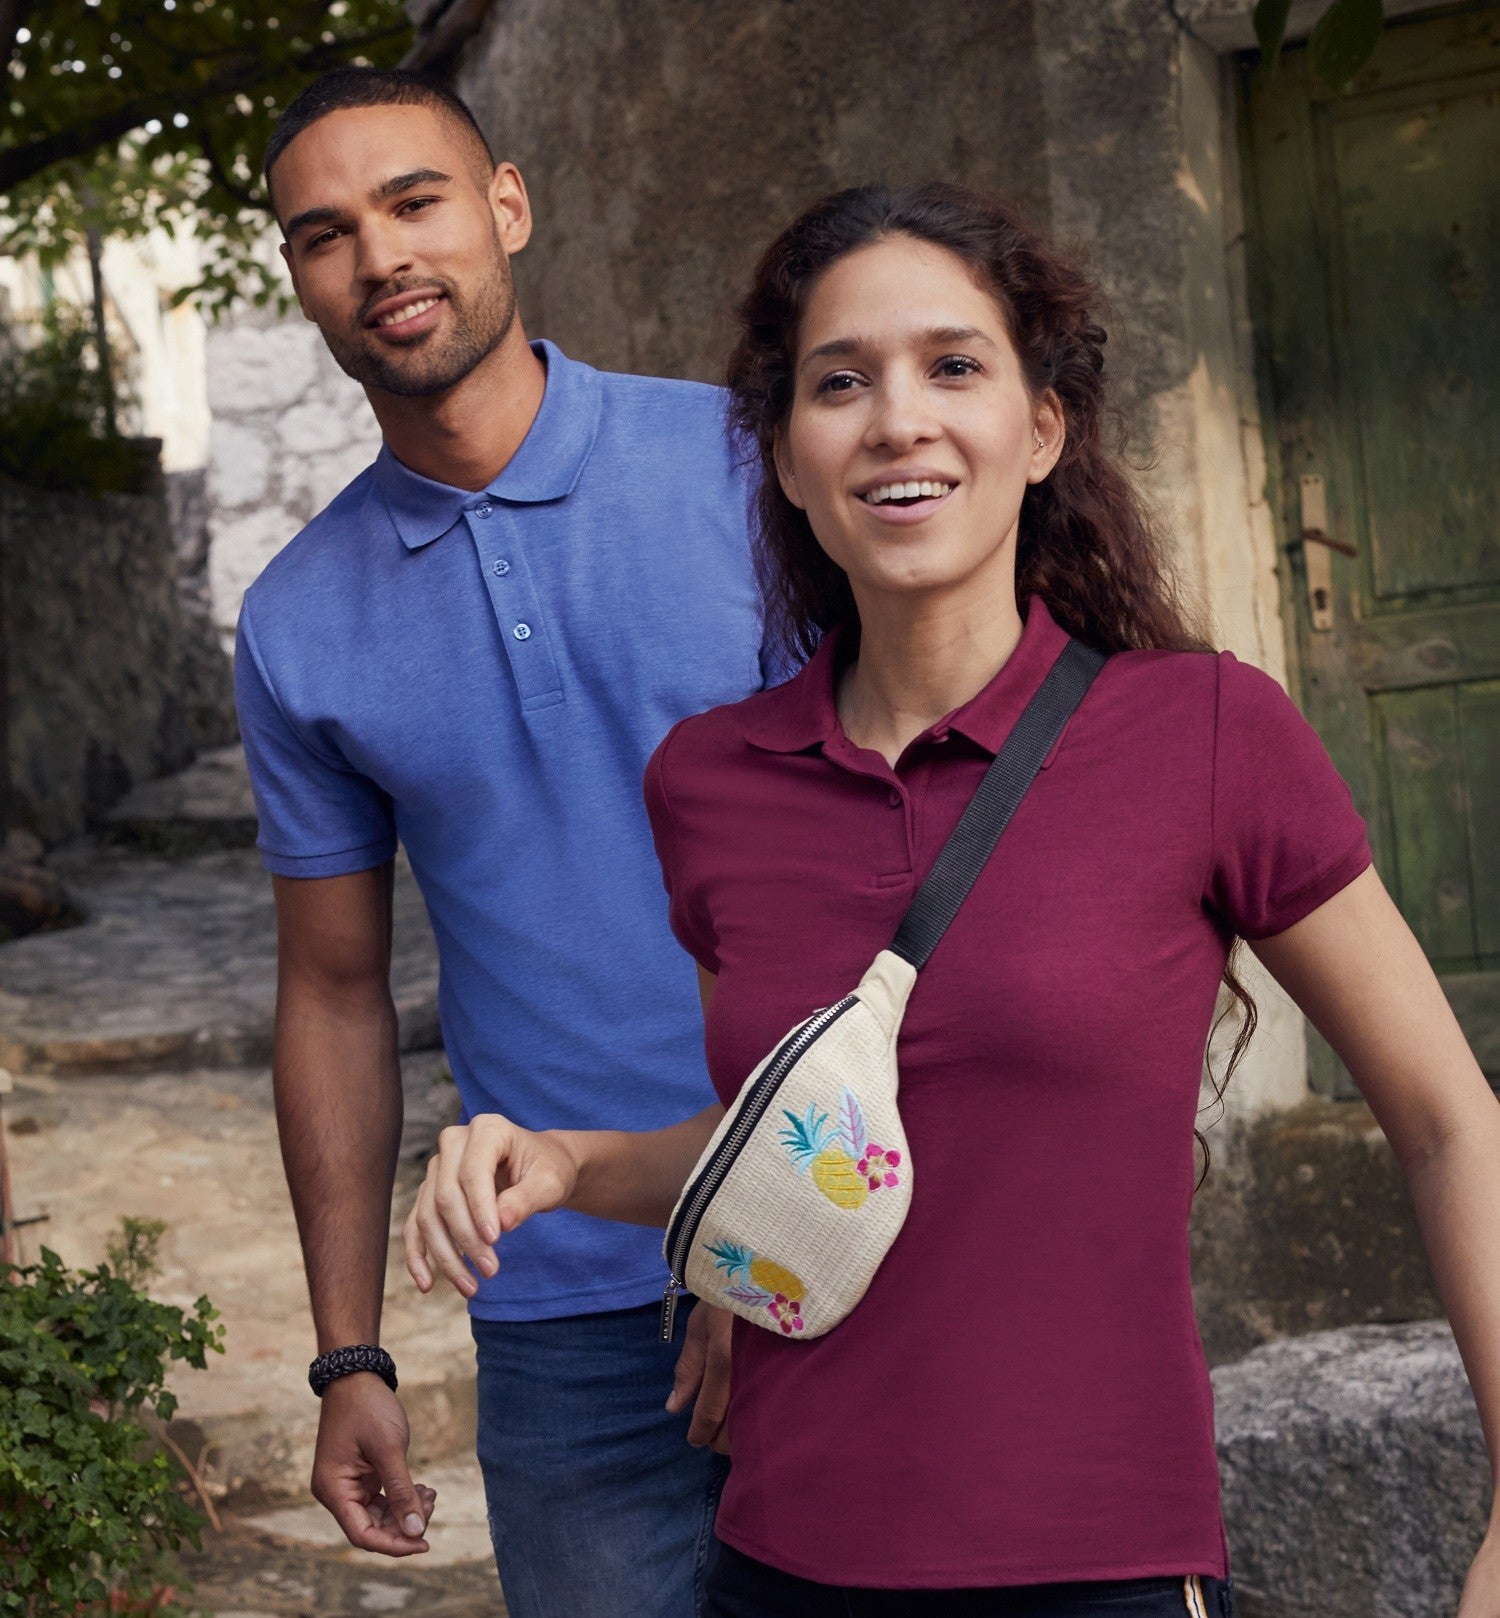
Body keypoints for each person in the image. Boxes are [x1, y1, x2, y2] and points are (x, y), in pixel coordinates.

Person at [404, 182, 1500, 1616]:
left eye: (954, 366)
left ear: (1042, 430)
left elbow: (1448, 1119)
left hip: (1099, 1565)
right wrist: (562, 1162)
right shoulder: (711, 780)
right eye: (840, 383)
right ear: (786, 458)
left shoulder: (1208, 732)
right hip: (784, 1564)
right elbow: (804, 1144)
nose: (898, 420)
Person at [238, 65, 764, 1618]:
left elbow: (909, 832)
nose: (381, 257)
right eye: (327, 233)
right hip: (566, 1317)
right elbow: (334, 991)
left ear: (507, 206)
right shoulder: (297, 620)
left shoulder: (753, 465)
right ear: (300, 280)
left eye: (416, 201)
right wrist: (348, 1353)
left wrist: (771, 1229)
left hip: (857, 1238)